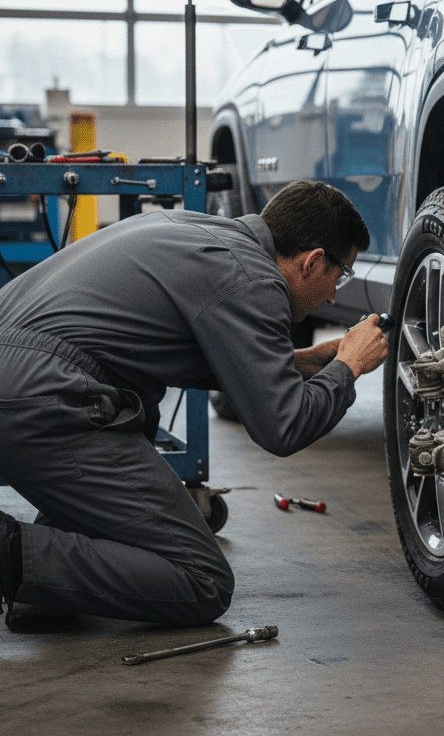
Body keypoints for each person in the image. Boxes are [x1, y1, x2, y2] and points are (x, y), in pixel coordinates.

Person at [0, 179, 388, 630]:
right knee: (202, 581)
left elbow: (191, 350)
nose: (335, 294)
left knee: (135, 414)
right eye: (340, 275)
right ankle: (10, 555)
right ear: (313, 260)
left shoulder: (192, 232)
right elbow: (283, 427)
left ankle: (40, 582)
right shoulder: (253, 280)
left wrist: (304, 362)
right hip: (43, 398)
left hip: (22, 383)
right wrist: (349, 367)